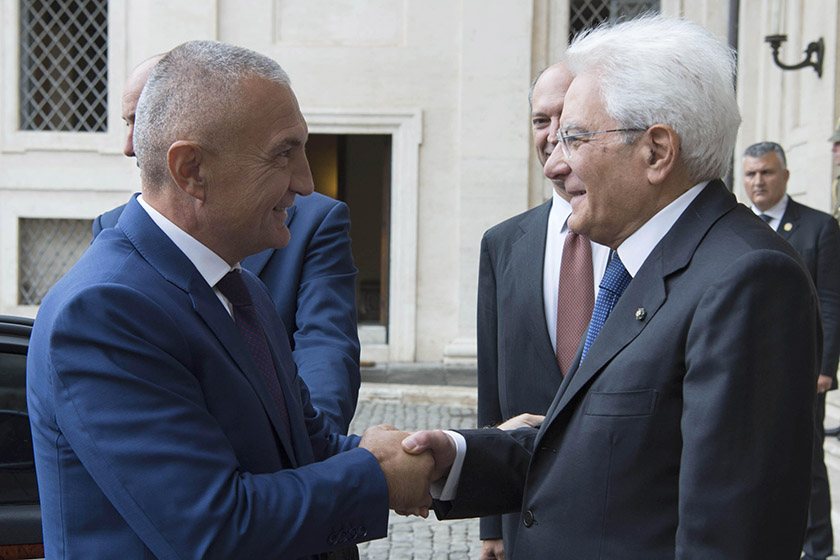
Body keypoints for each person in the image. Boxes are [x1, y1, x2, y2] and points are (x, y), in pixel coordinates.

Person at [404, 15, 819, 558]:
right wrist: (455, 457)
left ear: (656, 151)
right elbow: (603, 449)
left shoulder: (747, 280)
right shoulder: (641, 259)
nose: (555, 164)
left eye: (575, 137)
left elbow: (731, 535)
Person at [26, 41, 433, 559]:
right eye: (283, 154)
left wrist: (458, 452)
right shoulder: (104, 311)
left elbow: (308, 448)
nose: (306, 183)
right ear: (191, 170)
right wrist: (379, 474)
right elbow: (214, 528)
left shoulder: (240, 288)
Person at [93, 54, 361, 435]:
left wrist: (314, 446)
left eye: (144, 119)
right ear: (189, 168)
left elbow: (325, 347)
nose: (130, 145)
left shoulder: (252, 288)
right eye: (131, 122)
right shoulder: (102, 292)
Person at [476, 61, 609, 560]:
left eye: (567, 121)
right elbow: (492, 392)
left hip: (619, 511)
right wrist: (491, 522)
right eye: (540, 120)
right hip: (528, 512)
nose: (552, 135)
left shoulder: (639, 240)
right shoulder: (502, 244)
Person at [743, 141, 840, 560]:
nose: (758, 181)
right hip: (745, 366)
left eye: (766, 172)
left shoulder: (819, 227)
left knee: (807, 461)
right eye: (751, 174)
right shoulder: (734, 225)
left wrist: (824, 367)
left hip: (801, 368)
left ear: (785, 175)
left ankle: (818, 547)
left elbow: (831, 300)